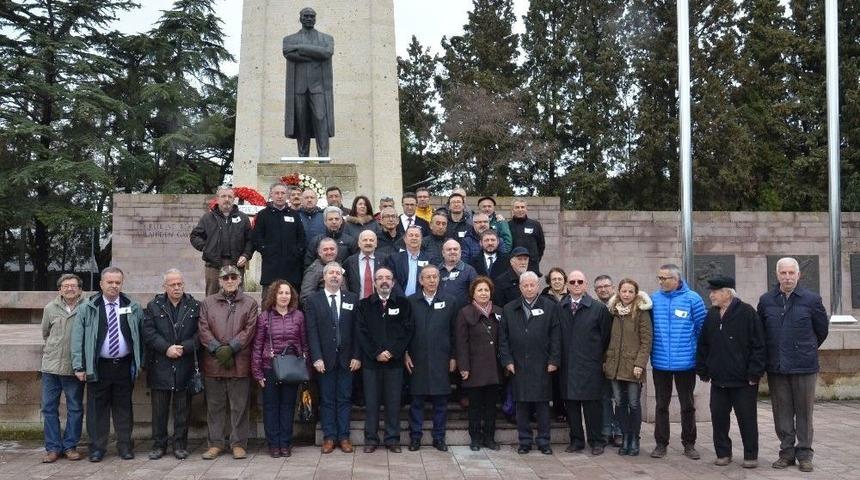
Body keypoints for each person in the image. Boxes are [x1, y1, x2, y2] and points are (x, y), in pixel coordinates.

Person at [757, 257, 828, 472]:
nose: (787, 277)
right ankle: (786, 453)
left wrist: (804, 348)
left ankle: (804, 454)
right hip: (777, 366)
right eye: (783, 273)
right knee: (782, 412)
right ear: (777, 275)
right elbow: (761, 331)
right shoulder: (767, 300)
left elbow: (821, 331)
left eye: (791, 273)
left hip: (804, 366)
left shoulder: (812, 300)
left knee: (805, 412)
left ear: (799, 275)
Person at [70, 266, 144, 462]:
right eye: (109, 282)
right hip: (97, 366)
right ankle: (97, 449)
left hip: (124, 366)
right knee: (96, 410)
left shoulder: (132, 306)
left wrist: (140, 362)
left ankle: (125, 447)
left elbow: (140, 336)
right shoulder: (88, 307)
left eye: (117, 282)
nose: (114, 286)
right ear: (101, 284)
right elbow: (77, 338)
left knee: (124, 409)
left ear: (122, 284)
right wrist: (79, 366)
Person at [697, 275, 765, 469]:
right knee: (719, 418)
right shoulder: (711, 314)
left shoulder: (747, 312)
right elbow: (703, 344)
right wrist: (703, 368)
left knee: (747, 419)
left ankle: (750, 455)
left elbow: (759, 346)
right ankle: (723, 453)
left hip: (744, 381)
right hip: (719, 380)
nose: (711, 295)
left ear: (727, 293)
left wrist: (754, 373)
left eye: (714, 292)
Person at [198, 265, 259, 460]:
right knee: (215, 406)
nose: (230, 281)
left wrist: (231, 348)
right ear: (220, 281)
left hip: (239, 361)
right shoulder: (208, 303)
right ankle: (215, 443)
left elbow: (250, 329)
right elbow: (203, 328)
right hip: (213, 362)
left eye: (234, 277)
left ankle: (238, 443)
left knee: (239, 406)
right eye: (226, 278)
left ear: (240, 279)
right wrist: (217, 348)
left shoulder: (249, 303)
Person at [499, 271, 560, 455]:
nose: (529, 288)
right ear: (520, 287)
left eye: (532, 285)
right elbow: (503, 339)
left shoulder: (550, 307)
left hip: (542, 364)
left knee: (542, 405)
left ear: (538, 287)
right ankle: (524, 441)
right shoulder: (509, 309)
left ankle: (544, 441)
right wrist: (507, 360)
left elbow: (556, 336)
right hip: (518, 364)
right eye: (525, 285)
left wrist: (554, 360)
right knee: (522, 405)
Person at [650, 263, 707, 460]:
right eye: (659, 278)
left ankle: (689, 444)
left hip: (686, 364)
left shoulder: (693, 299)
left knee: (687, 405)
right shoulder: (653, 300)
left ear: (676, 279)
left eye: (664, 278)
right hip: (659, 363)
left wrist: (699, 357)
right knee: (661, 405)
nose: (660, 281)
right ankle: (660, 443)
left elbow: (702, 330)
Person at [142, 269, 200, 460]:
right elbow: (148, 333)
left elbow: (201, 334)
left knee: (182, 409)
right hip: (160, 364)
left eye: (180, 284)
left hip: (185, 364)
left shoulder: (194, 305)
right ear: (164, 286)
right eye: (173, 284)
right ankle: (159, 445)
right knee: (159, 410)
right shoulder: (154, 306)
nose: (177, 288)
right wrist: (166, 348)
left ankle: (180, 445)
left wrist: (185, 347)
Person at [306, 262, 362, 454]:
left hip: (347, 359)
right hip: (325, 360)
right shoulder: (314, 300)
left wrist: (357, 355)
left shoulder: (352, 299)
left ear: (342, 277)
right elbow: (311, 331)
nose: (335, 276)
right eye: (331, 273)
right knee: (328, 399)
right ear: (324, 277)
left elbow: (357, 331)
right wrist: (317, 357)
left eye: (338, 273)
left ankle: (344, 437)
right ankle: (329, 437)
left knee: (345, 398)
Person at [356, 267, 414, 453]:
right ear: (374, 282)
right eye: (380, 278)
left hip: (394, 363)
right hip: (371, 364)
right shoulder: (364, 305)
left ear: (393, 282)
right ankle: (371, 439)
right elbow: (361, 332)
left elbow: (407, 331)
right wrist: (376, 353)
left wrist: (392, 352)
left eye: (388, 278)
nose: (384, 281)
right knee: (371, 403)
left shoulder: (404, 304)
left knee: (393, 402)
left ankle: (392, 439)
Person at [556, 270, 612, 455]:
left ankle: (596, 441)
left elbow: (606, 337)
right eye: (572, 282)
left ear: (585, 284)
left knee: (592, 407)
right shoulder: (560, 307)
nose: (576, 284)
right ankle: (577, 440)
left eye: (580, 281)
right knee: (571, 406)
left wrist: (597, 358)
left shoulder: (598, 309)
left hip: (590, 366)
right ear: (567, 285)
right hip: (568, 366)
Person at [251, 280, 307, 458]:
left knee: (288, 407)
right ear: (274, 295)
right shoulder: (264, 317)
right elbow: (257, 345)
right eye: (281, 293)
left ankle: (285, 443)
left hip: (291, 368)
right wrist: (258, 372)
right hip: (270, 368)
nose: (284, 296)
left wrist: (304, 362)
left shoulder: (298, 316)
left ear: (292, 296)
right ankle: (273, 444)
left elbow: (305, 343)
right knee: (271, 407)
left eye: (287, 293)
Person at [405, 266, 458, 451]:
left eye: (435, 276)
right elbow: (405, 331)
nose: (431, 280)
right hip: (417, 358)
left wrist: (453, 356)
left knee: (441, 402)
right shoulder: (410, 302)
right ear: (421, 281)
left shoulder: (450, 301)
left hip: (441, 358)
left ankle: (439, 438)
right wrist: (405, 354)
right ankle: (415, 437)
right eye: (427, 277)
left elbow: (454, 332)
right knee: (417, 401)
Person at [604, 278, 653, 457]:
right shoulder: (612, 312)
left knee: (634, 403)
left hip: (633, 367)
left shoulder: (641, 312)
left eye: (630, 291)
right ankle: (624, 437)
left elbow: (646, 340)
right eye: (624, 291)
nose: (626, 294)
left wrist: (640, 364)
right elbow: (605, 338)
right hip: (614, 366)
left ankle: (634, 438)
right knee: (620, 403)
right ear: (618, 292)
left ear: (635, 293)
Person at [40, 274, 85, 463]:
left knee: (75, 408)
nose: (69, 289)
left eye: (73, 286)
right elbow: (45, 332)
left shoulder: (87, 307)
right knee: (49, 408)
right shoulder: (50, 308)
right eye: (65, 286)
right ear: (60, 289)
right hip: (50, 368)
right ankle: (52, 448)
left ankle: (70, 446)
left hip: (73, 369)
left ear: (80, 289)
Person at [456, 277, 503, 451]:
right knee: (474, 406)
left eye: (486, 290)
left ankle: (489, 438)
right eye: (480, 290)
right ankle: (475, 438)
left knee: (491, 406)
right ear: (473, 294)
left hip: (494, 369)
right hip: (474, 369)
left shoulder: (499, 312)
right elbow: (461, 342)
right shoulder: (465, 312)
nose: (484, 293)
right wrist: (464, 367)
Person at [282, 7, 334, 157]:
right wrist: (314, 54)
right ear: (300, 18)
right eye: (306, 16)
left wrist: (299, 48)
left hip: (318, 88)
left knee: (320, 120)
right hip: (299, 88)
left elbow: (326, 53)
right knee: (302, 124)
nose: (309, 18)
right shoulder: (289, 39)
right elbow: (287, 53)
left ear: (315, 18)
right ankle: (302, 158)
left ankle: (323, 158)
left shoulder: (326, 39)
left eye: (312, 16)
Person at [189, 186, 253, 296]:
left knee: (237, 297)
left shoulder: (243, 218)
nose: (226, 199)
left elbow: (251, 240)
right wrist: (206, 248)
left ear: (234, 199)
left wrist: (246, 255)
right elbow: (195, 236)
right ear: (217, 199)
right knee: (212, 297)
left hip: (236, 264)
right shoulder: (207, 218)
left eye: (230, 196)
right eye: (223, 196)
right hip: (214, 264)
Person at [253, 182, 306, 295]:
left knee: (291, 303)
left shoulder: (294, 215)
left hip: (291, 269)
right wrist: (266, 250)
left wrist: (297, 252)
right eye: (277, 193)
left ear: (287, 196)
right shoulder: (263, 215)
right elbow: (257, 237)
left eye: (283, 193)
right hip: (271, 267)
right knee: (268, 303)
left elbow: (301, 238)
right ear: (271, 195)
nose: (280, 196)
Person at [593, 274, 621, 448]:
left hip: (619, 361)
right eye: (599, 287)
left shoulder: (622, 306)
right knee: (603, 397)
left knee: (619, 398)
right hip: (600, 361)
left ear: (613, 287)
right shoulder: (594, 308)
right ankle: (605, 431)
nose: (603, 289)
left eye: (606, 286)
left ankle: (619, 431)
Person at [386, 225, 431, 297]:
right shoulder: (394, 259)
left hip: (422, 300)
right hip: (400, 299)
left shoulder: (429, 259)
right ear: (404, 239)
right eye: (411, 235)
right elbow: (392, 279)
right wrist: (403, 298)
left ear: (421, 239)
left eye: (417, 235)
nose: (414, 238)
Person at [344, 230, 389, 298]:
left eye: (371, 240)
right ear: (359, 243)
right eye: (365, 240)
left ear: (376, 244)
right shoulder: (349, 262)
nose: (368, 243)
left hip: (379, 303)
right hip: (357, 304)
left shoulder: (385, 259)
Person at [509, 199, 546, 276]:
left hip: (532, 266)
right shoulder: (507, 226)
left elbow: (541, 245)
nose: (520, 210)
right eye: (517, 207)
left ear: (526, 209)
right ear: (512, 209)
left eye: (522, 207)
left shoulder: (535, 225)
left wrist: (535, 259)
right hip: (512, 267)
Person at [300, 237, 342, 302]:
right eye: (325, 249)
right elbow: (306, 297)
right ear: (319, 252)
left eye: (332, 249)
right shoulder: (314, 270)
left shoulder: (340, 265)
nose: (329, 252)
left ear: (337, 251)